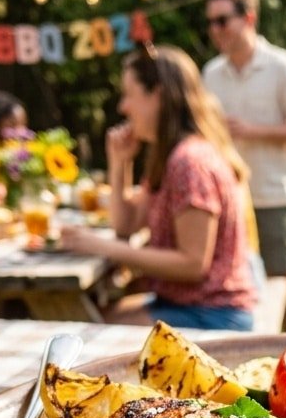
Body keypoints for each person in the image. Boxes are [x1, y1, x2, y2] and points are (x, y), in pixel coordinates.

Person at [58, 45, 258, 331]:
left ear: (158, 95)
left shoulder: (189, 162)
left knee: (78, 326)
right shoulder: (170, 155)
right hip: (188, 305)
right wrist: (120, 164)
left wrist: (104, 247)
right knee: (83, 318)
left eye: (129, 94)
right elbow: (126, 225)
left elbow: (192, 264)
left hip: (213, 315)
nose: (123, 107)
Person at [201, 0, 286, 332]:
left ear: (249, 17)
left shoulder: (283, 66)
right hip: (228, 199)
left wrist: (252, 130)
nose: (215, 29)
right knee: (238, 286)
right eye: (210, 22)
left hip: (272, 194)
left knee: (282, 279)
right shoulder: (211, 73)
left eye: (223, 20)